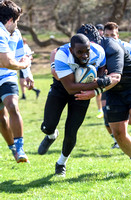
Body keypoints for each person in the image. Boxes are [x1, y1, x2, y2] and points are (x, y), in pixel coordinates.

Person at [38, 33, 108, 176]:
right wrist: (97, 83)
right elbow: (70, 87)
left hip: (82, 93)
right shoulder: (62, 55)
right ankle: (51, 135)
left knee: (71, 131)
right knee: (47, 126)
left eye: (86, 51)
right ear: (71, 50)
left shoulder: (98, 52)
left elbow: (102, 68)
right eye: (80, 52)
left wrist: (100, 76)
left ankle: (61, 163)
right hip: (61, 87)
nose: (84, 56)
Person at [75, 23, 131, 173]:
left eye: (87, 48)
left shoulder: (111, 47)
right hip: (114, 92)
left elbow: (115, 77)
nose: (85, 53)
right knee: (118, 133)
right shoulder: (80, 51)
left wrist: (94, 92)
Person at [0, 0, 34, 163]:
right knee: (1, 119)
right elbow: (8, 62)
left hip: (7, 77)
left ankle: (20, 149)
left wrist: (27, 74)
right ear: (10, 20)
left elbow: (21, 56)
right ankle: (13, 149)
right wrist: (24, 64)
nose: (17, 24)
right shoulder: (0, 33)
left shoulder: (16, 34)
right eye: (17, 21)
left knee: (13, 106)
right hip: (9, 69)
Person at [102, 21, 131, 149]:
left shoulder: (130, 49)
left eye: (113, 35)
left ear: (118, 36)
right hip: (113, 91)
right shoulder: (101, 51)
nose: (110, 38)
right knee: (118, 133)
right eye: (107, 35)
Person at [95, 24, 105, 119]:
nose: (99, 31)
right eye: (97, 29)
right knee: (98, 91)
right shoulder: (93, 42)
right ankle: (100, 110)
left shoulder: (105, 41)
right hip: (97, 69)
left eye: (101, 29)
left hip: (105, 68)